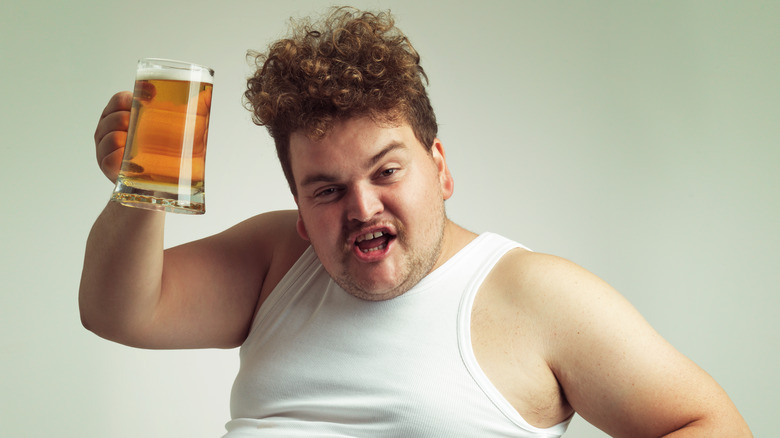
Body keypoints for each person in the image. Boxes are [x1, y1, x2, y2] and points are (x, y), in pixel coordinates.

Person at [80, 6, 751, 437]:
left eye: (386, 171)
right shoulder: (276, 261)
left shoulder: (538, 296)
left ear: (440, 166)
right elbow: (120, 312)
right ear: (302, 214)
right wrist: (137, 192)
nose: (362, 207)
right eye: (326, 189)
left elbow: (710, 424)